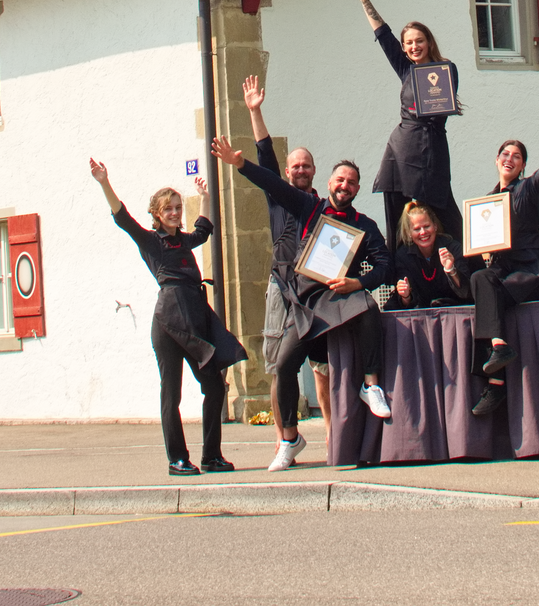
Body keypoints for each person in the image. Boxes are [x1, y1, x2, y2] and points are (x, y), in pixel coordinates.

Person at [211, 134, 393, 471]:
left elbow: (385, 266)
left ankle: (371, 385)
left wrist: (358, 283)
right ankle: (290, 439)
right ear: (330, 183)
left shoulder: (364, 226)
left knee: (368, 307)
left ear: (356, 189)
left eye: (351, 182)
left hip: (341, 299)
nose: (345, 185)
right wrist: (240, 163)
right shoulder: (309, 207)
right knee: (283, 366)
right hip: (307, 303)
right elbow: (272, 183)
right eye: (340, 179)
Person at [90, 159, 247, 476]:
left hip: (194, 317)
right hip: (168, 323)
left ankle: (211, 456)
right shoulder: (152, 242)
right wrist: (104, 182)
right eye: (168, 209)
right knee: (171, 393)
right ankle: (177, 459)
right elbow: (123, 218)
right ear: (157, 214)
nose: (175, 213)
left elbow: (203, 231)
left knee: (215, 386)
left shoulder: (183, 240)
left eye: (178, 207)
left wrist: (204, 197)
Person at [241, 74, 333, 450]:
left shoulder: (323, 208)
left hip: (315, 291)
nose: (299, 170)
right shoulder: (277, 196)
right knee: (279, 366)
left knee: (322, 366)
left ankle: (333, 435)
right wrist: (255, 111)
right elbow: (265, 154)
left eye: (305, 165)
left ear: (314, 171)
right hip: (281, 286)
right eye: (294, 166)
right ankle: (284, 441)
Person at [468, 132, 539, 418]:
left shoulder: (526, 188)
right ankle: (499, 350)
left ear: (523, 165)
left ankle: (496, 384)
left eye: (516, 156)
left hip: (533, 270)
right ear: (496, 160)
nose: (509, 159)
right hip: (505, 269)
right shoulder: (487, 202)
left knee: (489, 297)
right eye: (505, 154)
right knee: (479, 280)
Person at [356, 0, 462, 246]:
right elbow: (383, 35)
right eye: (409, 43)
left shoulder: (446, 69)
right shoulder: (405, 70)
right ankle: (398, 268)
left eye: (419, 41)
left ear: (429, 42)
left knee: (445, 213)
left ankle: (465, 265)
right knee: (397, 217)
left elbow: (441, 104)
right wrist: (365, 0)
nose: (414, 46)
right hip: (402, 147)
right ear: (404, 48)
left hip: (432, 147)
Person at [386, 201, 472, 309]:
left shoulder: (453, 248)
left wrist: (451, 269)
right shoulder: (403, 255)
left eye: (426, 226)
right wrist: (405, 296)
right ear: (409, 233)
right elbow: (408, 303)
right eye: (417, 229)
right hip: (422, 310)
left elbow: (465, 292)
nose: (423, 232)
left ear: (435, 226)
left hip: (454, 307)